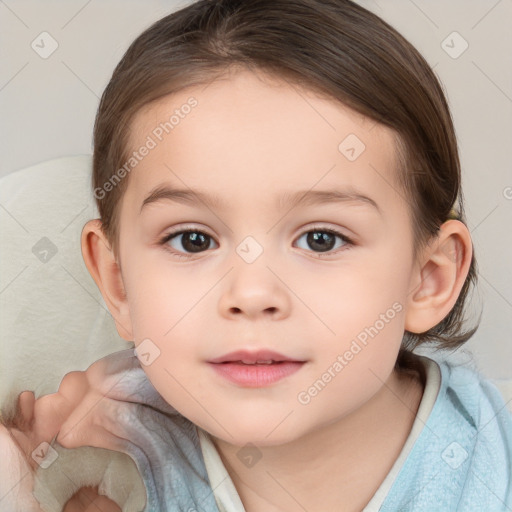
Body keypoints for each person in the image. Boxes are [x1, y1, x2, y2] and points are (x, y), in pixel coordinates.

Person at [1, 0, 511, 510]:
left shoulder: (491, 464)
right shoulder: (101, 460)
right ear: (118, 282)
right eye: (193, 240)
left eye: (321, 239)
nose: (251, 294)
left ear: (428, 279)